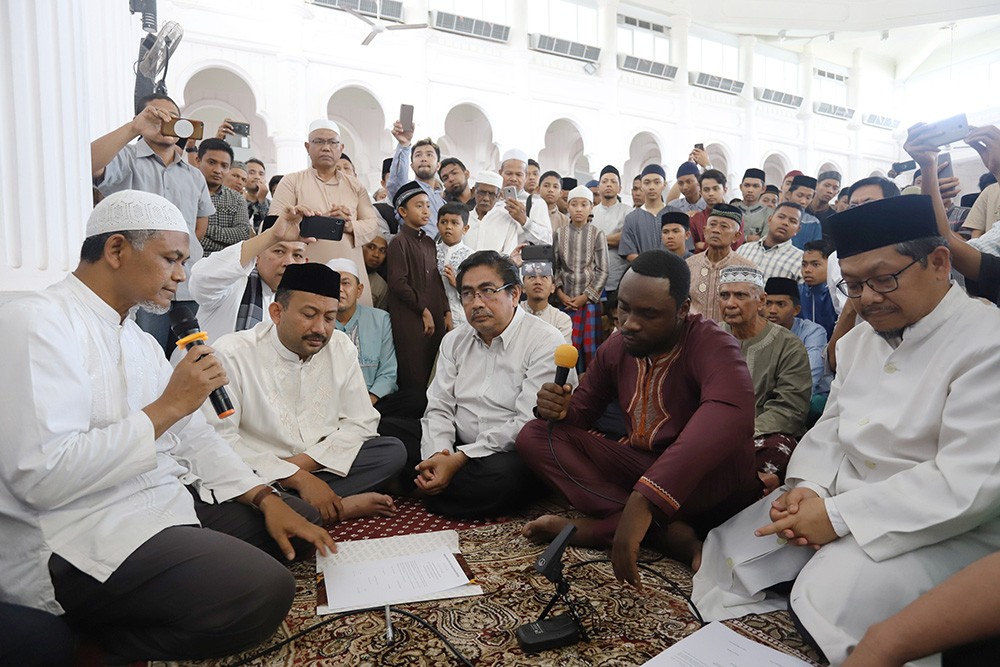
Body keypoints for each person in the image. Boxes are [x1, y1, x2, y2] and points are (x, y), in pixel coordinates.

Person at [0, 190, 334, 663]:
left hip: (154, 501)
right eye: (171, 259)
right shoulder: (34, 323)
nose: (181, 275)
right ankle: (88, 649)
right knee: (263, 591)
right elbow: (41, 478)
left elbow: (194, 437)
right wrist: (169, 407)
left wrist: (265, 497)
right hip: (74, 532)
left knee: (296, 520)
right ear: (116, 250)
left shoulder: (135, 337)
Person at [692, 195, 1000, 666]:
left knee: (831, 596)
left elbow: (968, 482)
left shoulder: (988, 342)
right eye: (854, 286)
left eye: (883, 279)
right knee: (729, 550)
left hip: (945, 526)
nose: (868, 300)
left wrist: (838, 518)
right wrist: (811, 488)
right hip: (840, 493)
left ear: (939, 262)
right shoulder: (859, 339)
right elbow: (832, 428)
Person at [516, 250, 762, 585]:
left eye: (648, 314)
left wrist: (647, 498)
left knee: (687, 464)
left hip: (709, 483)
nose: (629, 323)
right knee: (535, 434)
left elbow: (730, 412)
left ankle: (603, 528)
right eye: (624, 308)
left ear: (683, 309)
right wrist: (558, 408)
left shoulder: (712, 342)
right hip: (642, 469)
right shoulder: (618, 346)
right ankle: (659, 530)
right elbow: (581, 413)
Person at [206, 261, 404, 523]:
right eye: (309, 315)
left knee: (391, 452)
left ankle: (298, 509)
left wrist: (302, 467)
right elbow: (220, 441)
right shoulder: (232, 354)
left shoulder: (341, 346)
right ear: (277, 312)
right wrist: (295, 477)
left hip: (320, 463)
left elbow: (362, 422)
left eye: (330, 318)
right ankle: (336, 508)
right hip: (256, 471)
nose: (320, 329)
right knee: (219, 491)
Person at [416, 251, 569, 518]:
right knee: (393, 433)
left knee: (506, 477)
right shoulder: (454, 340)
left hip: (509, 451)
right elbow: (439, 407)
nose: (476, 303)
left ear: (515, 294)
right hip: (457, 444)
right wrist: (437, 455)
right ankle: (436, 478)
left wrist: (459, 459)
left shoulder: (546, 341)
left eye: (487, 291)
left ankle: (426, 487)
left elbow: (526, 424)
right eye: (467, 294)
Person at [91, 94, 214, 355]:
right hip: (142, 280)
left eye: (172, 117)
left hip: (186, 282)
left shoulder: (194, 174)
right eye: (157, 115)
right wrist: (134, 127)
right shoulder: (127, 159)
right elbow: (88, 164)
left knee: (186, 357)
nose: (165, 121)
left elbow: (199, 227)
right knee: (144, 354)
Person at [268, 119, 381, 306]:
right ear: (307, 146)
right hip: (307, 268)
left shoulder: (355, 186)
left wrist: (348, 224)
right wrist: (311, 221)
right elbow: (273, 224)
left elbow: (372, 224)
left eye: (332, 142)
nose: (326, 147)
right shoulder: (292, 181)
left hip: (350, 271)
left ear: (341, 147)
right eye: (319, 142)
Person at [720, 267, 811, 483]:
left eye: (740, 295)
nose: (730, 303)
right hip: (715, 430)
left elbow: (790, 408)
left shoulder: (788, 345)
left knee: (775, 450)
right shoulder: (711, 337)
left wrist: (746, 432)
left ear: (761, 301)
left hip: (765, 433)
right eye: (724, 295)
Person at [187, 209, 308, 350]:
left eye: (297, 255)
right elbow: (201, 279)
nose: (288, 262)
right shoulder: (233, 284)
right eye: (279, 251)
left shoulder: (299, 302)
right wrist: (272, 235)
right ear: (257, 256)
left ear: (306, 262)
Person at [386, 181, 452, 395]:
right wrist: (423, 310)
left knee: (435, 371)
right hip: (411, 318)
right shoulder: (399, 242)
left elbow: (435, 280)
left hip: (433, 315)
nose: (426, 211)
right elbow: (398, 283)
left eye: (427, 205)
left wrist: (446, 311)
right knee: (414, 372)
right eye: (419, 206)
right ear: (403, 211)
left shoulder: (429, 243)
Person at [554, 185, 609, 369]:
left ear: (591, 207)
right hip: (566, 300)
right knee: (568, 345)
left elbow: (603, 270)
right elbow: (555, 268)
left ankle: (589, 385)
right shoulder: (559, 234)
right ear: (567, 206)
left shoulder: (597, 234)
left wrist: (586, 297)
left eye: (584, 204)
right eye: (574, 204)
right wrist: (560, 294)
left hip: (589, 302)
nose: (579, 209)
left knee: (590, 348)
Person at [764, 276, 830, 419]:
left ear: (796, 310)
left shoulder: (812, 332)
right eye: (768, 303)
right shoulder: (758, 331)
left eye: (780, 304)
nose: (772, 310)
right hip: (770, 396)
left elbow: (810, 376)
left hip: (810, 394)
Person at [686, 203, 757, 322]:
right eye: (712, 225)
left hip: (731, 337)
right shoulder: (689, 265)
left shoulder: (748, 269)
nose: (716, 230)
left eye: (724, 227)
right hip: (694, 336)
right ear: (704, 231)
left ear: (736, 236)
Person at [386, 118, 446, 230]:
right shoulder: (407, 191)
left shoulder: (442, 201)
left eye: (429, 155)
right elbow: (396, 181)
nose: (424, 158)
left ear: (438, 165)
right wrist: (404, 144)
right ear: (412, 165)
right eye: (418, 155)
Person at [196, 138, 253, 255]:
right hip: (191, 259)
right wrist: (224, 244)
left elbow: (242, 234)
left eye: (224, 166)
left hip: (225, 263)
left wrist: (201, 229)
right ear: (198, 161)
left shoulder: (236, 198)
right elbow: (183, 235)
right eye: (211, 162)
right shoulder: (185, 192)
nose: (217, 170)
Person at [591, 165, 633, 300]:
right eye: (604, 181)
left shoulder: (628, 211)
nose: (608, 184)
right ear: (598, 187)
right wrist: (611, 240)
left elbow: (625, 238)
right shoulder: (590, 212)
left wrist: (596, 240)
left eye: (613, 181)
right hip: (593, 279)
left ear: (619, 188)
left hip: (619, 277)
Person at [735, 202, 804, 282]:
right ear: (770, 220)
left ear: (798, 230)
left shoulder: (800, 260)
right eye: (781, 217)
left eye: (793, 221)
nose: (785, 223)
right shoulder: (744, 249)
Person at [436, 202, 475, 327]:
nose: (448, 227)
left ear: (465, 229)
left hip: (462, 317)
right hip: (435, 315)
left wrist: (457, 283)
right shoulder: (430, 251)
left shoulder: (471, 257)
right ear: (437, 225)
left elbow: (476, 290)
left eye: (454, 223)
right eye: (444, 222)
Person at [620, 164, 668, 261]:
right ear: (642, 185)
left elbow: (684, 249)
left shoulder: (674, 214)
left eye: (657, 182)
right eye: (647, 183)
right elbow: (629, 252)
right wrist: (648, 267)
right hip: (643, 273)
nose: (651, 187)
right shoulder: (632, 218)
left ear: (664, 185)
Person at [520, 259, 573, 344]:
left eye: (544, 277)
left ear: (553, 288)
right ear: (523, 288)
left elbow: (561, 353)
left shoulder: (561, 320)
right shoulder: (513, 314)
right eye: (532, 277)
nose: (538, 282)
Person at [690, 170, 744, 252]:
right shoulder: (695, 219)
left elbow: (735, 246)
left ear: (725, 190)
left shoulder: (735, 217)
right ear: (700, 192)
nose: (711, 193)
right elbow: (694, 248)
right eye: (706, 190)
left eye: (715, 189)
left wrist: (704, 245)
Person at [799, 240, 837, 339]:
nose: (807, 270)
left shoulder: (838, 294)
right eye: (804, 264)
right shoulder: (797, 292)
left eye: (815, 264)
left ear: (832, 265)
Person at [784, 175, 824, 249]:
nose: (803, 201)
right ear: (789, 194)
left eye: (808, 197)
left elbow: (815, 249)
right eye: (799, 195)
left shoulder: (814, 223)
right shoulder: (776, 215)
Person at [737, 168, 772, 242]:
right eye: (746, 185)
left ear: (763, 189)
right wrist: (746, 239)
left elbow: (766, 240)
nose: (750, 190)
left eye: (755, 186)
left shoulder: (769, 213)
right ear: (741, 187)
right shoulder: (732, 209)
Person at [362, 233, 390, 310]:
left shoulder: (381, 286)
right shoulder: (345, 273)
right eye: (371, 247)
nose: (376, 255)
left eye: (382, 250)